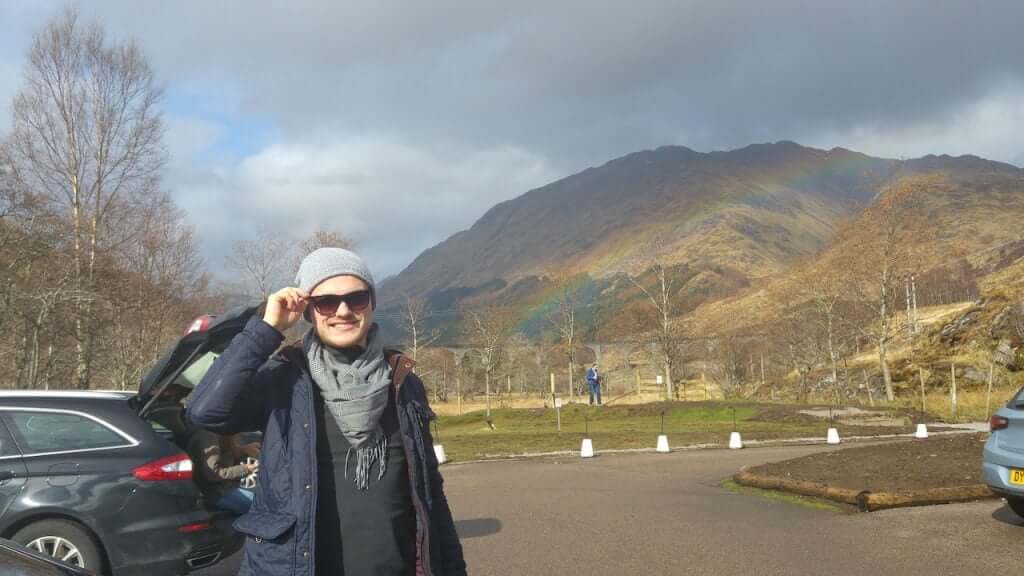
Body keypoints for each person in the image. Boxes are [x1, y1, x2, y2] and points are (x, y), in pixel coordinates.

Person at [187, 247, 466, 576]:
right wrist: (266, 329)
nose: (344, 311)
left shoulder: (403, 383)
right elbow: (206, 411)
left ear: (372, 303)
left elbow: (430, 491)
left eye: (357, 298)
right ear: (309, 310)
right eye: (327, 302)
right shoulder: (284, 379)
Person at [188, 430, 259, 515]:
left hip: (227, 488)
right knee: (264, 506)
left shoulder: (220, 434)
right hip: (217, 493)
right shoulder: (208, 436)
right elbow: (213, 474)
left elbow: (226, 457)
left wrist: (243, 450)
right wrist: (245, 469)